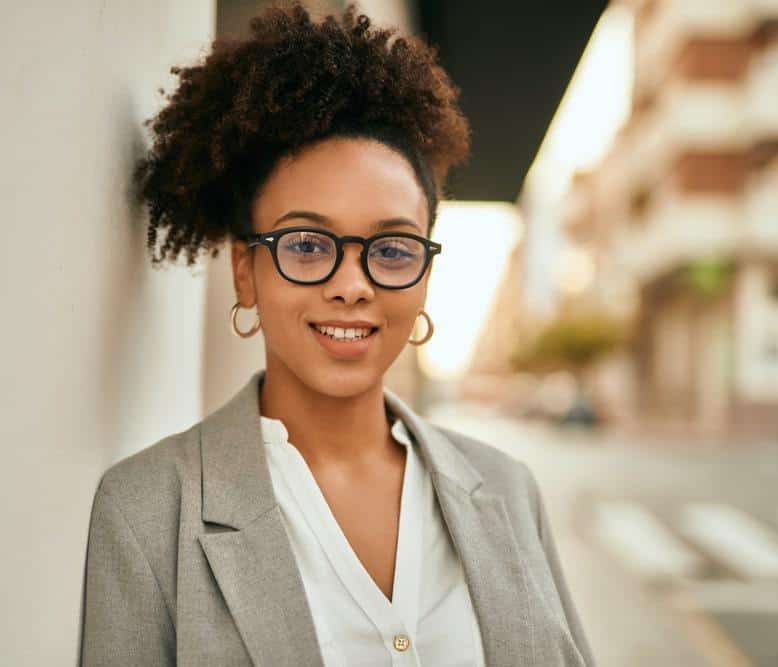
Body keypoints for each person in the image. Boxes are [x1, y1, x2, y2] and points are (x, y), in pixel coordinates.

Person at [79, 3, 595, 665]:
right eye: (306, 242)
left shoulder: (507, 488)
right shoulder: (148, 511)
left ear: (425, 275)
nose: (353, 283)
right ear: (246, 270)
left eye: (392, 248)